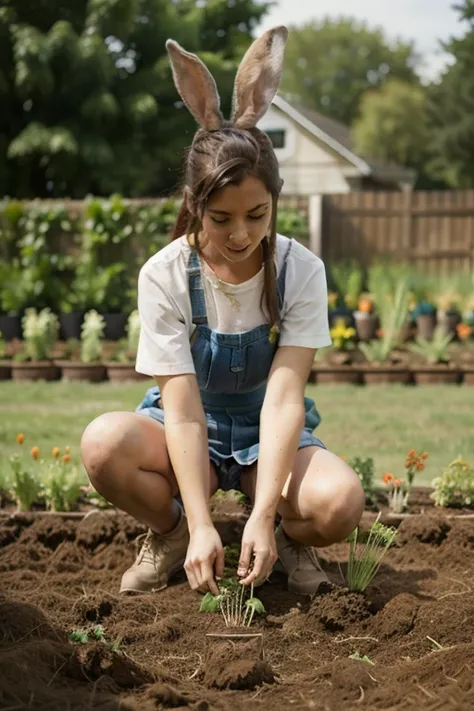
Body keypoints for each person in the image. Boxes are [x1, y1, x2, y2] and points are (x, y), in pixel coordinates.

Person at [80, 26, 365, 598]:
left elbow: (285, 398)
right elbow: (181, 411)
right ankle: (171, 533)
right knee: (103, 445)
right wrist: (204, 523)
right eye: (221, 218)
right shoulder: (164, 274)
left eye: (257, 216)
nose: (241, 235)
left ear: (273, 203)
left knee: (340, 503)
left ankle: (287, 539)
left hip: (268, 433)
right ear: (195, 205)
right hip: (185, 429)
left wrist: (260, 515)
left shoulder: (299, 268)